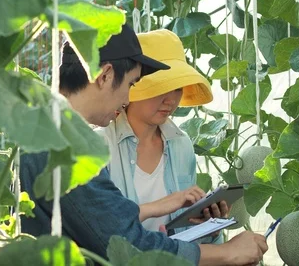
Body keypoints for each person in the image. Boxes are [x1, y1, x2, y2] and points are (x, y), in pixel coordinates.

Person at [20, 24, 268, 266]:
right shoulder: (67, 147)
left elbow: (105, 224)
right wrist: (226, 253)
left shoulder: (41, 130)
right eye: (130, 84)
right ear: (105, 76)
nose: (128, 98)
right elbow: (127, 247)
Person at [94, 29, 225, 244]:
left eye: (177, 88)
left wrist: (209, 227)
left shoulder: (182, 146)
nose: (171, 100)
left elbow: (185, 236)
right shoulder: (100, 146)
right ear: (133, 85)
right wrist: (161, 205)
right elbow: (97, 228)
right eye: (161, 88)